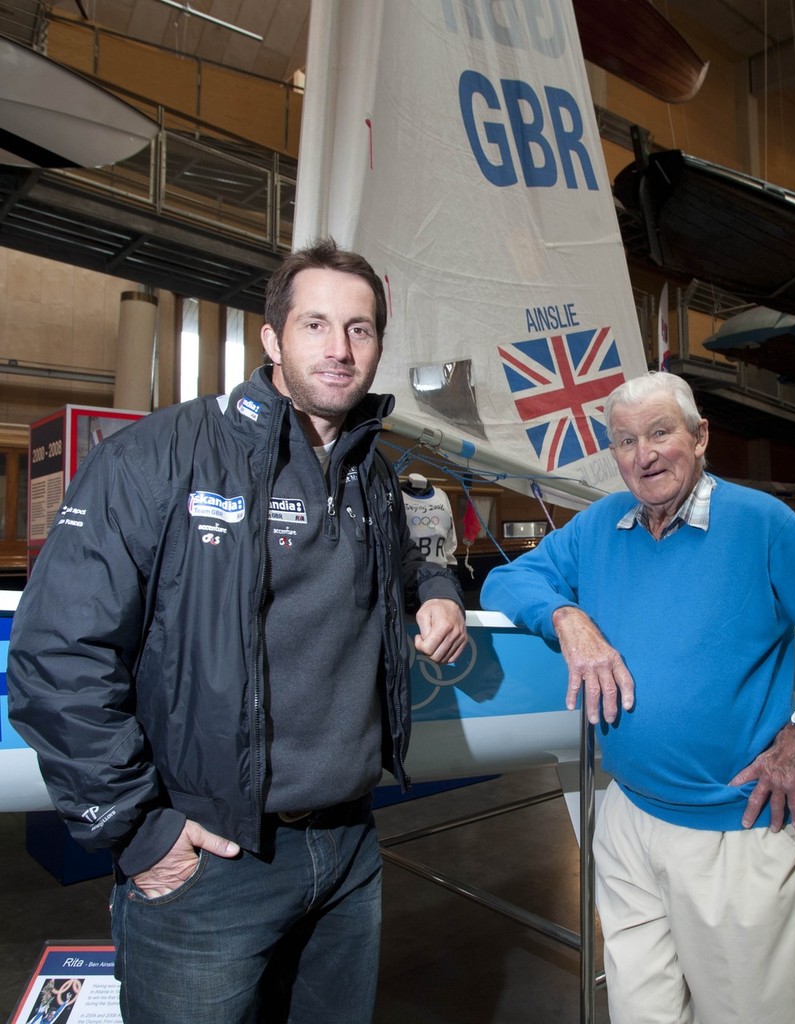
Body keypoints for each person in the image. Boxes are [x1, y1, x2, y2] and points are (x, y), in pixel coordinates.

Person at [7, 239, 468, 1024]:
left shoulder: (374, 476)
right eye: (316, 325)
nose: (339, 349)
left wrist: (437, 589)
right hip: (212, 858)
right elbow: (56, 655)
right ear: (272, 338)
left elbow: (408, 566)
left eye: (360, 329)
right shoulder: (158, 458)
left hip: (349, 847)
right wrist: (139, 830)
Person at [481, 371, 795, 1024]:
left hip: (729, 829)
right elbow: (507, 580)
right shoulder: (600, 527)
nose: (643, 455)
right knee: (640, 1013)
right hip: (626, 819)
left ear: (698, 436)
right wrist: (567, 618)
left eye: (659, 433)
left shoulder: (757, 523)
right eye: (625, 441)